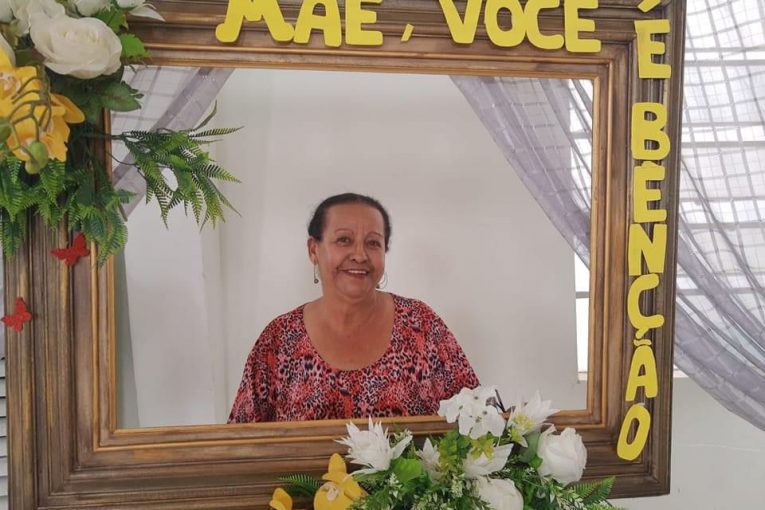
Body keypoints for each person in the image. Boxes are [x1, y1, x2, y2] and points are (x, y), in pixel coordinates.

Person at [228, 193, 479, 422]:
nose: (360, 255)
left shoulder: (421, 325)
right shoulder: (280, 339)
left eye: (373, 243)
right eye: (344, 240)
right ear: (314, 250)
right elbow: (240, 441)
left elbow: (478, 421)